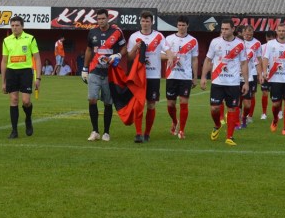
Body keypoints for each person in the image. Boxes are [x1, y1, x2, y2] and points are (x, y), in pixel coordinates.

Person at [201, 18, 249, 146]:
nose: (224, 31)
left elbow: (244, 63)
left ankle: (229, 137)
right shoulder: (215, 42)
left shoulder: (240, 44)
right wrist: (203, 77)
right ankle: (217, 124)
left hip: (233, 82)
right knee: (214, 108)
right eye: (222, 29)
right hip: (217, 81)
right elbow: (208, 60)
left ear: (233, 29)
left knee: (232, 109)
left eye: (227, 29)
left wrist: (246, 82)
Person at [82, 9, 126, 142]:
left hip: (110, 73)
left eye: (103, 18)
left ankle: (106, 132)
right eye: (99, 19)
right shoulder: (92, 32)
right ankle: (95, 131)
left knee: (108, 102)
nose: (101, 21)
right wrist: (85, 68)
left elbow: (124, 48)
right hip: (94, 71)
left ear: (108, 18)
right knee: (92, 99)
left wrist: (118, 55)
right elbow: (89, 50)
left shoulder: (116, 32)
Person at [127, 10, 165, 142]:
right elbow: (129, 57)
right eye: (143, 21)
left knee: (151, 105)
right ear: (140, 22)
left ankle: (147, 133)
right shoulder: (134, 37)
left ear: (152, 22)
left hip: (154, 76)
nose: (145, 23)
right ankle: (138, 133)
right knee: (138, 105)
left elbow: (166, 51)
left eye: (147, 21)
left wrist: (170, 56)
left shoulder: (159, 36)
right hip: (139, 76)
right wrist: (135, 48)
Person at [0, 16, 41, 138]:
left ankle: (28, 118)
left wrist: (38, 78)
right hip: (11, 72)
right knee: (13, 100)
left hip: (25, 72)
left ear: (22, 26)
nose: (15, 28)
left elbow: (37, 59)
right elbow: (4, 61)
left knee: (26, 101)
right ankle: (14, 131)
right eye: (12, 25)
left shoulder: (30, 39)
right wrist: (3, 82)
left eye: (17, 25)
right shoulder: (6, 40)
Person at [162, 15, 199, 139]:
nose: (181, 27)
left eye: (183, 25)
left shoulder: (193, 41)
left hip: (185, 76)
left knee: (184, 102)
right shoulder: (169, 39)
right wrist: (170, 56)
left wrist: (195, 77)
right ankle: (175, 121)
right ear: (176, 25)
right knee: (170, 104)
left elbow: (195, 59)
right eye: (179, 25)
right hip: (171, 75)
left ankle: (182, 130)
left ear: (187, 26)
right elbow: (160, 55)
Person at [238, 25, 263, 128]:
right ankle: (238, 119)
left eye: (250, 33)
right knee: (238, 99)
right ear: (243, 33)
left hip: (251, 75)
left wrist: (260, 74)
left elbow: (259, 59)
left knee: (250, 98)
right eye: (246, 34)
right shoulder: (237, 46)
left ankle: (248, 116)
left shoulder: (256, 44)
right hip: (235, 77)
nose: (248, 36)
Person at [258, 31, 275, 120]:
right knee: (265, 93)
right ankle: (264, 113)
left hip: (275, 74)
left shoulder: (276, 46)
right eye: (268, 39)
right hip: (265, 74)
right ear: (265, 38)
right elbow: (259, 61)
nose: (269, 41)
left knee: (276, 94)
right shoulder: (261, 47)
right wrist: (260, 74)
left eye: (271, 39)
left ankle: (279, 111)